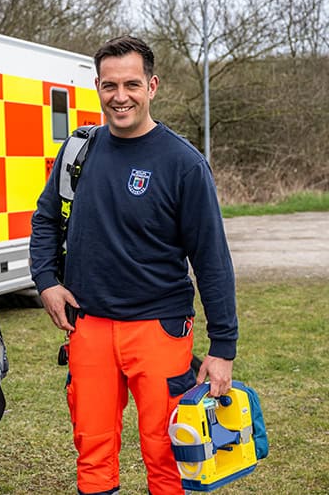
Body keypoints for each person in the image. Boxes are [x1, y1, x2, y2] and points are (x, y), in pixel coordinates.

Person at [29, 36, 238, 495]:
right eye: (109, 86)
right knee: (93, 450)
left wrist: (222, 347)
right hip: (90, 328)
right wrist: (46, 281)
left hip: (158, 329)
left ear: (152, 85)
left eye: (131, 84)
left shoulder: (183, 164)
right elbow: (44, 221)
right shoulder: (77, 152)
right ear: (97, 86)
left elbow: (213, 261)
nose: (119, 96)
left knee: (168, 453)